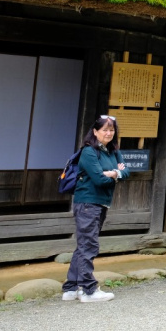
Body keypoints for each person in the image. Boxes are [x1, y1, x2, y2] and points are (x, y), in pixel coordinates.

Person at [62, 114, 129, 303]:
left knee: (84, 244)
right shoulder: (89, 152)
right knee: (89, 244)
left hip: (100, 203)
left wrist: (112, 173)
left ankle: (71, 288)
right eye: (104, 130)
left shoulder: (113, 151)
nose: (108, 133)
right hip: (87, 203)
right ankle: (88, 290)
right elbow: (99, 179)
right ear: (95, 131)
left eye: (111, 130)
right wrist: (117, 173)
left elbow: (127, 171)